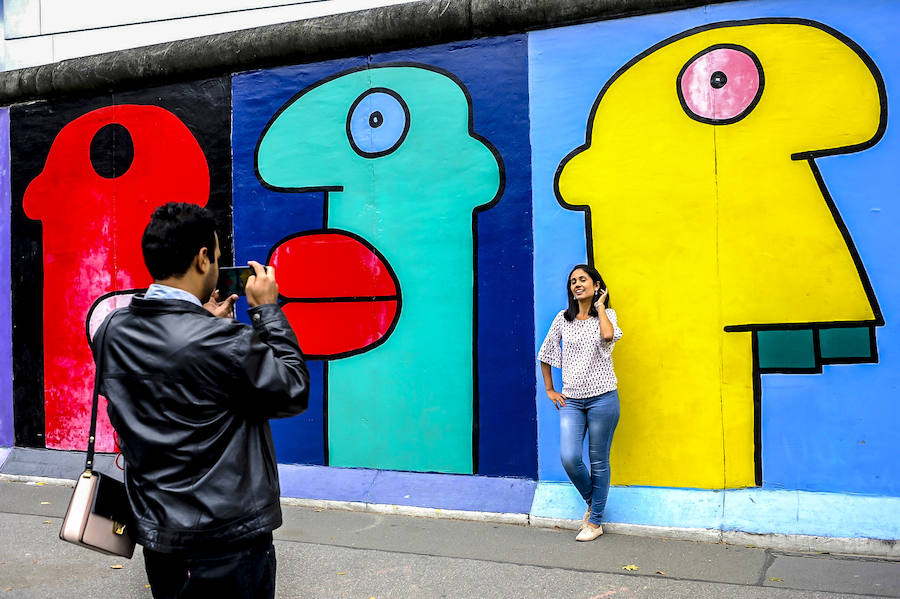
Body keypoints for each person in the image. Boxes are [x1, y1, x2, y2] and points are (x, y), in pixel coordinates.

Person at [94, 202, 310, 598]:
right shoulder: (222, 343)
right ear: (203, 258)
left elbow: (166, 385)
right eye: (216, 256)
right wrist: (267, 311)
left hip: (159, 535)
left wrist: (206, 327)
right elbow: (293, 389)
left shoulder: (112, 329)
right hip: (227, 540)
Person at [538, 264, 623, 542]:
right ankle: (594, 502)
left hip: (603, 399)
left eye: (583, 280)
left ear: (596, 285)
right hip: (572, 401)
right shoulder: (563, 319)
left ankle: (595, 522)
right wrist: (550, 389)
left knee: (599, 461)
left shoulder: (607, 315)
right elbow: (546, 352)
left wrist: (600, 306)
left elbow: (608, 336)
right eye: (573, 281)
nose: (577, 284)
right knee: (570, 458)